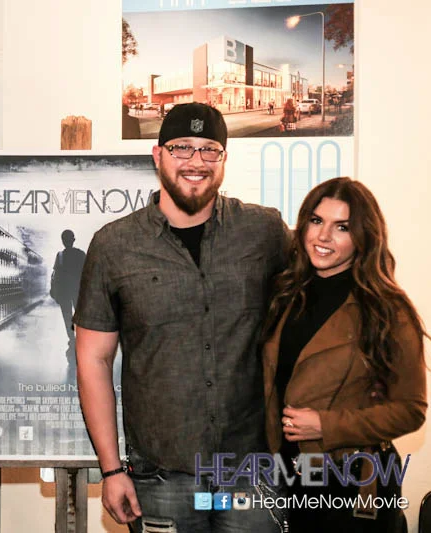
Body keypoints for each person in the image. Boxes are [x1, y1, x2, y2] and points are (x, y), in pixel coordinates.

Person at [74, 103, 288, 532]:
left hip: (251, 468)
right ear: (158, 155)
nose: (196, 161)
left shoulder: (264, 232)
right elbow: (93, 359)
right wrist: (112, 469)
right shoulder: (114, 246)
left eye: (210, 149)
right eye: (182, 148)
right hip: (160, 474)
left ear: (224, 158)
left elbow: (320, 295)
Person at [262, 177, 428, 532]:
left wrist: (326, 425)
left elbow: (410, 410)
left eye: (342, 227)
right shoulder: (287, 294)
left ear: (363, 237)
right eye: (316, 221)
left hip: (354, 483)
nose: (323, 236)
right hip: (292, 478)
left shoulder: (387, 309)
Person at [50, 229, 86, 354]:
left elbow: (55, 275)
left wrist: (54, 290)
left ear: (63, 241)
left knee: (67, 316)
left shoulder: (60, 256)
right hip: (78, 290)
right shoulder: (81, 254)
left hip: (64, 291)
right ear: (73, 240)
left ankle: (72, 337)